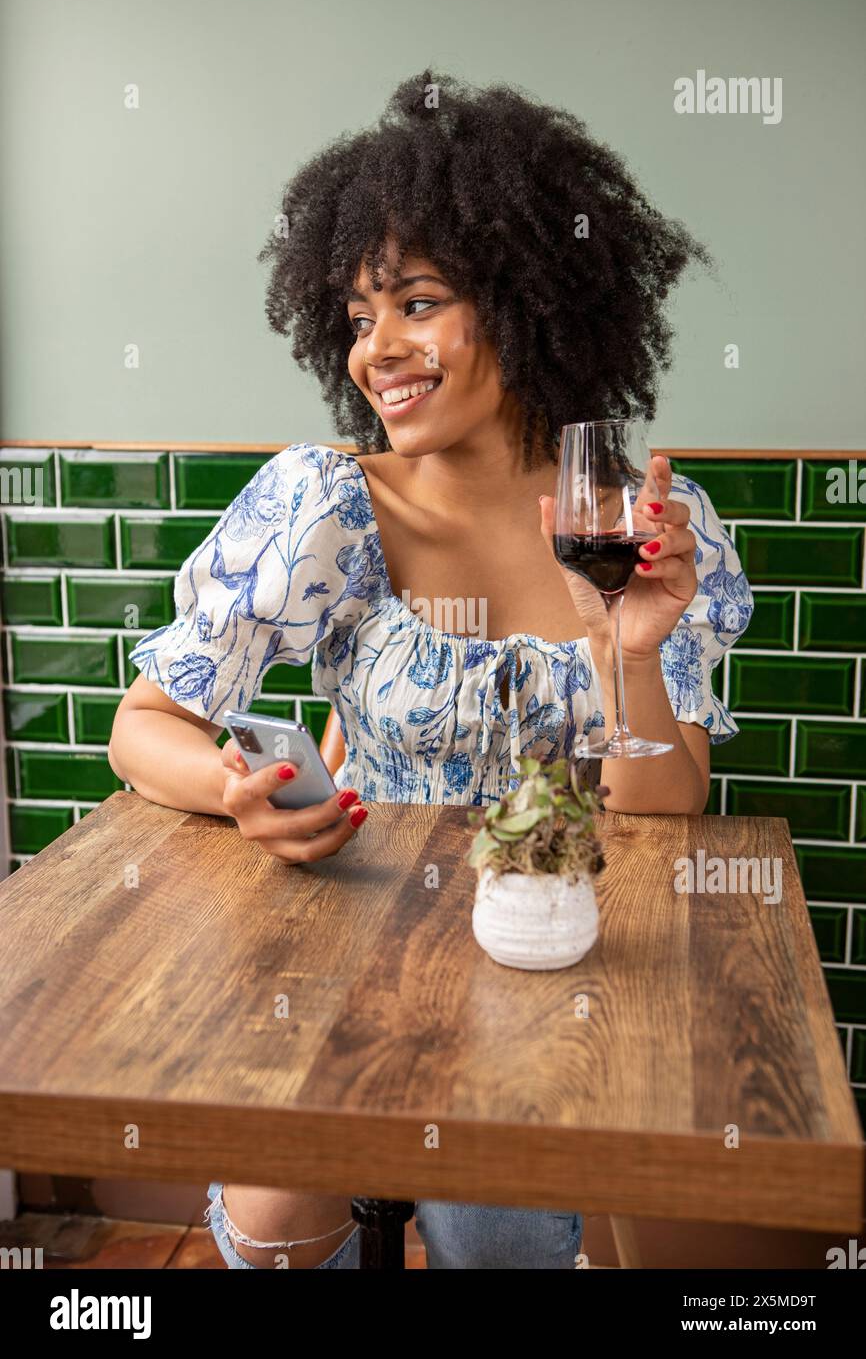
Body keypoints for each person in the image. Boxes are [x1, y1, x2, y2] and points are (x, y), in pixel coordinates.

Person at [108, 69, 753, 1269]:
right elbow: (141, 727)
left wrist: (633, 651)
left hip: (557, 955)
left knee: (513, 1237)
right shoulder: (326, 502)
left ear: (525, 300)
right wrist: (237, 792)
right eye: (357, 317)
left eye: (415, 303)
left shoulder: (647, 525)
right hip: (350, 959)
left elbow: (666, 808)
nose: (377, 350)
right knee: (273, 1214)